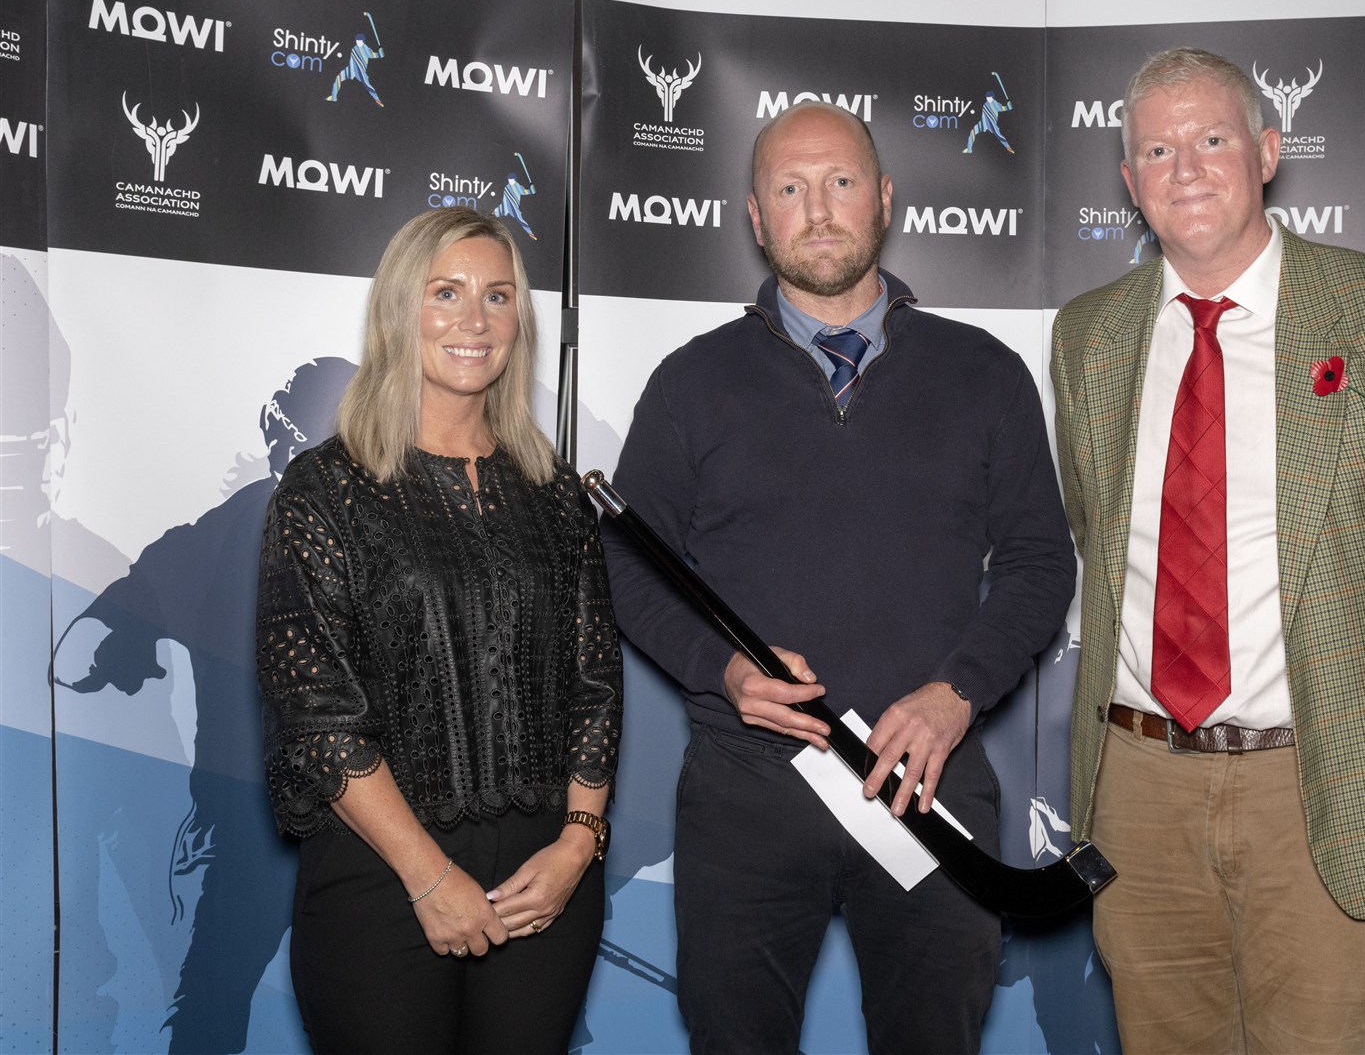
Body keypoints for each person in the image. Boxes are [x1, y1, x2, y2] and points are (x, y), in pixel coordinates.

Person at [1050, 48, 1365, 1052]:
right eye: (1157, 150)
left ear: (1267, 151)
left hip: (1326, 774)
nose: (1186, 168)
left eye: (1212, 139)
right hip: (1136, 786)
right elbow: (1099, 534)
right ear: (1129, 183)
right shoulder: (1087, 336)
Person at [601, 102, 1075, 1054]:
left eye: (841, 183)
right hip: (748, 796)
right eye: (790, 188)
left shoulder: (984, 374)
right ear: (755, 215)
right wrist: (721, 669)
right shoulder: (691, 383)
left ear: (885, 199)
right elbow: (625, 560)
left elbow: (1038, 563)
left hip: (928, 788)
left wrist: (957, 693)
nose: (818, 210)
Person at [257, 208, 621, 1053]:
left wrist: (579, 843)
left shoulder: (555, 491)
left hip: (546, 885)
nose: (474, 320)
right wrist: (429, 878)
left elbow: (596, 680)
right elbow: (318, 716)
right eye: (446, 292)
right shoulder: (326, 491)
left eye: (498, 297)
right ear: (399, 311)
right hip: (382, 879)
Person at [53, 357, 355, 1055]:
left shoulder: (404, 538)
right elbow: (73, 655)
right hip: (255, 831)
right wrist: (115, 649)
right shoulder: (220, 541)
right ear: (281, 444)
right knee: (210, 1013)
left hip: (381, 830)